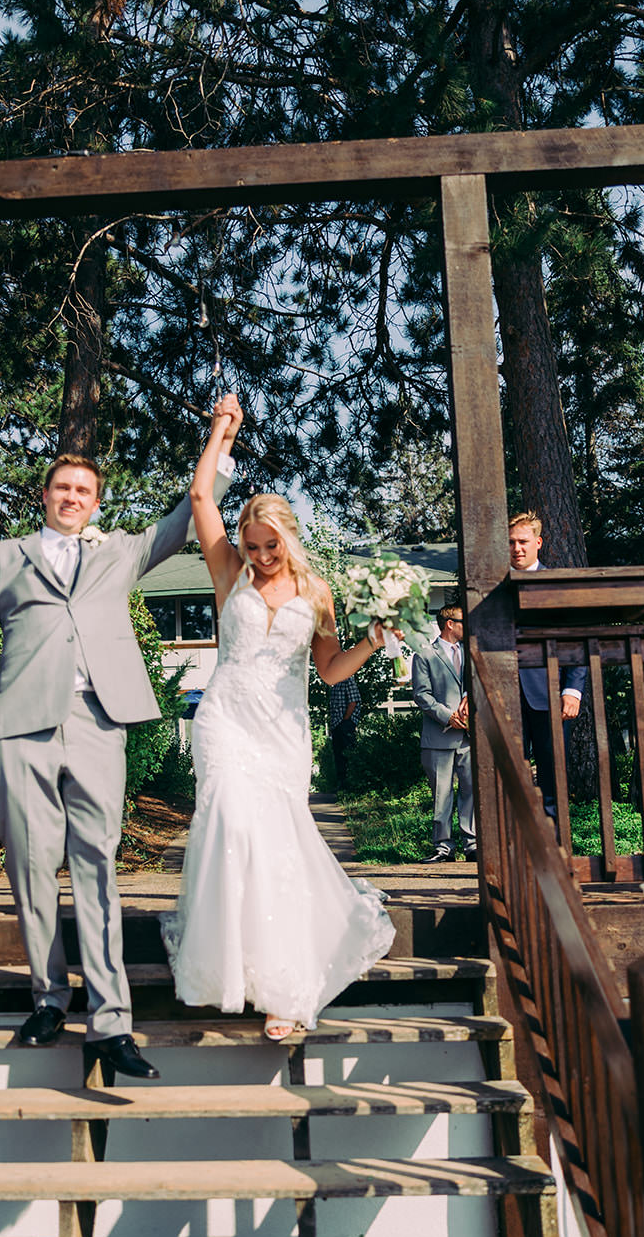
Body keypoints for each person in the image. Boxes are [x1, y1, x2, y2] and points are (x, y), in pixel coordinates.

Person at [0, 423, 237, 1080]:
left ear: (95, 502)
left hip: (96, 723)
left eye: (83, 489)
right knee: (28, 865)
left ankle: (112, 1022)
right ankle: (48, 998)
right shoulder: (5, 555)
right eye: (62, 488)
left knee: (96, 869)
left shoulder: (122, 552)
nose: (72, 497)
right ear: (45, 496)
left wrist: (219, 442)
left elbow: (185, 516)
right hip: (20, 726)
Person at [162, 399, 395, 1041]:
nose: (262, 556)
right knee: (232, 825)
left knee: (276, 850)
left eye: (271, 546)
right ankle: (227, 970)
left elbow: (330, 671)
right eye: (253, 544)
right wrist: (221, 432)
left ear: (288, 540)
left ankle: (281, 989)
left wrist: (373, 639)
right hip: (226, 719)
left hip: (284, 731)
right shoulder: (227, 571)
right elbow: (201, 495)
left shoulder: (316, 594)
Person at [508, 511, 586, 818]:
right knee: (509, 775)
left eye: (523, 542)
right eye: (511, 542)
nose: (517, 548)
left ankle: (555, 851)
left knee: (553, 776)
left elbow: (576, 641)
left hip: (550, 695)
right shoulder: (494, 587)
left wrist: (572, 690)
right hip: (505, 696)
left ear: (538, 543)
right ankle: (517, 852)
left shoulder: (557, 586)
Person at [411, 603, 475, 863]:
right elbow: (421, 695)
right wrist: (448, 716)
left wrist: (470, 698)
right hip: (439, 737)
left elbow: (477, 682)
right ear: (450, 623)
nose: (467, 626)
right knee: (442, 794)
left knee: (471, 790)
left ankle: (472, 845)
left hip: (470, 737)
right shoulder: (424, 653)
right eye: (463, 621)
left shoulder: (471, 652)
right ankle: (443, 847)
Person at [327, 674, 361, 788]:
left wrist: (345, 720)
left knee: (348, 753)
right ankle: (342, 783)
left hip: (345, 723)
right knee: (338, 755)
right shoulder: (335, 683)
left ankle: (351, 784)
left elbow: (353, 702)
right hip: (336, 724)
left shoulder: (348, 679)